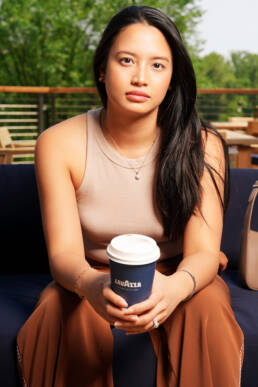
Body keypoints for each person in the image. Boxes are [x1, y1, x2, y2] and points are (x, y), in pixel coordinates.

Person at [17, 5, 244, 387]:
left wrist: (174, 288)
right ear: (102, 69)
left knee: (208, 305)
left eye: (158, 66)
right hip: (90, 274)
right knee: (59, 310)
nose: (140, 78)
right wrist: (91, 285)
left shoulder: (202, 145)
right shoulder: (57, 143)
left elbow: (204, 251)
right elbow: (63, 255)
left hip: (179, 272)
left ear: (172, 79)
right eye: (126, 60)